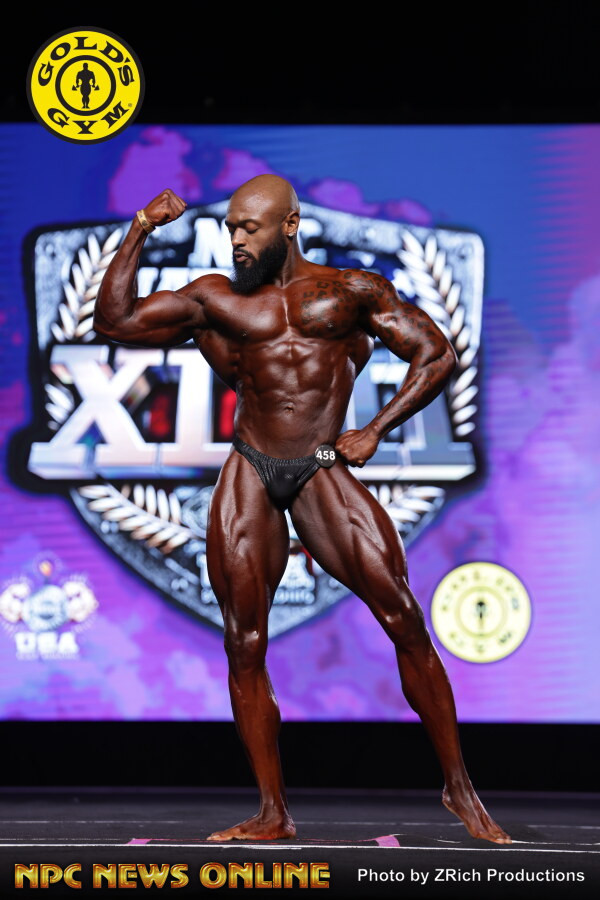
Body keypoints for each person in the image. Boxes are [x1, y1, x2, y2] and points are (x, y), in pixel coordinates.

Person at [93, 176, 511, 845]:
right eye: (231, 228)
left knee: (403, 616)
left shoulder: (349, 291)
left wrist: (376, 430)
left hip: (320, 464)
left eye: (249, 228)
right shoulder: (214, 298)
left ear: (289, 224)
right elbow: (113, 322)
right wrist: (141, 227)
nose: (236, 240)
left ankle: (459, 787)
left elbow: (436, 354)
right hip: (251, 466)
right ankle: (272, 812)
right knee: (244, 642)